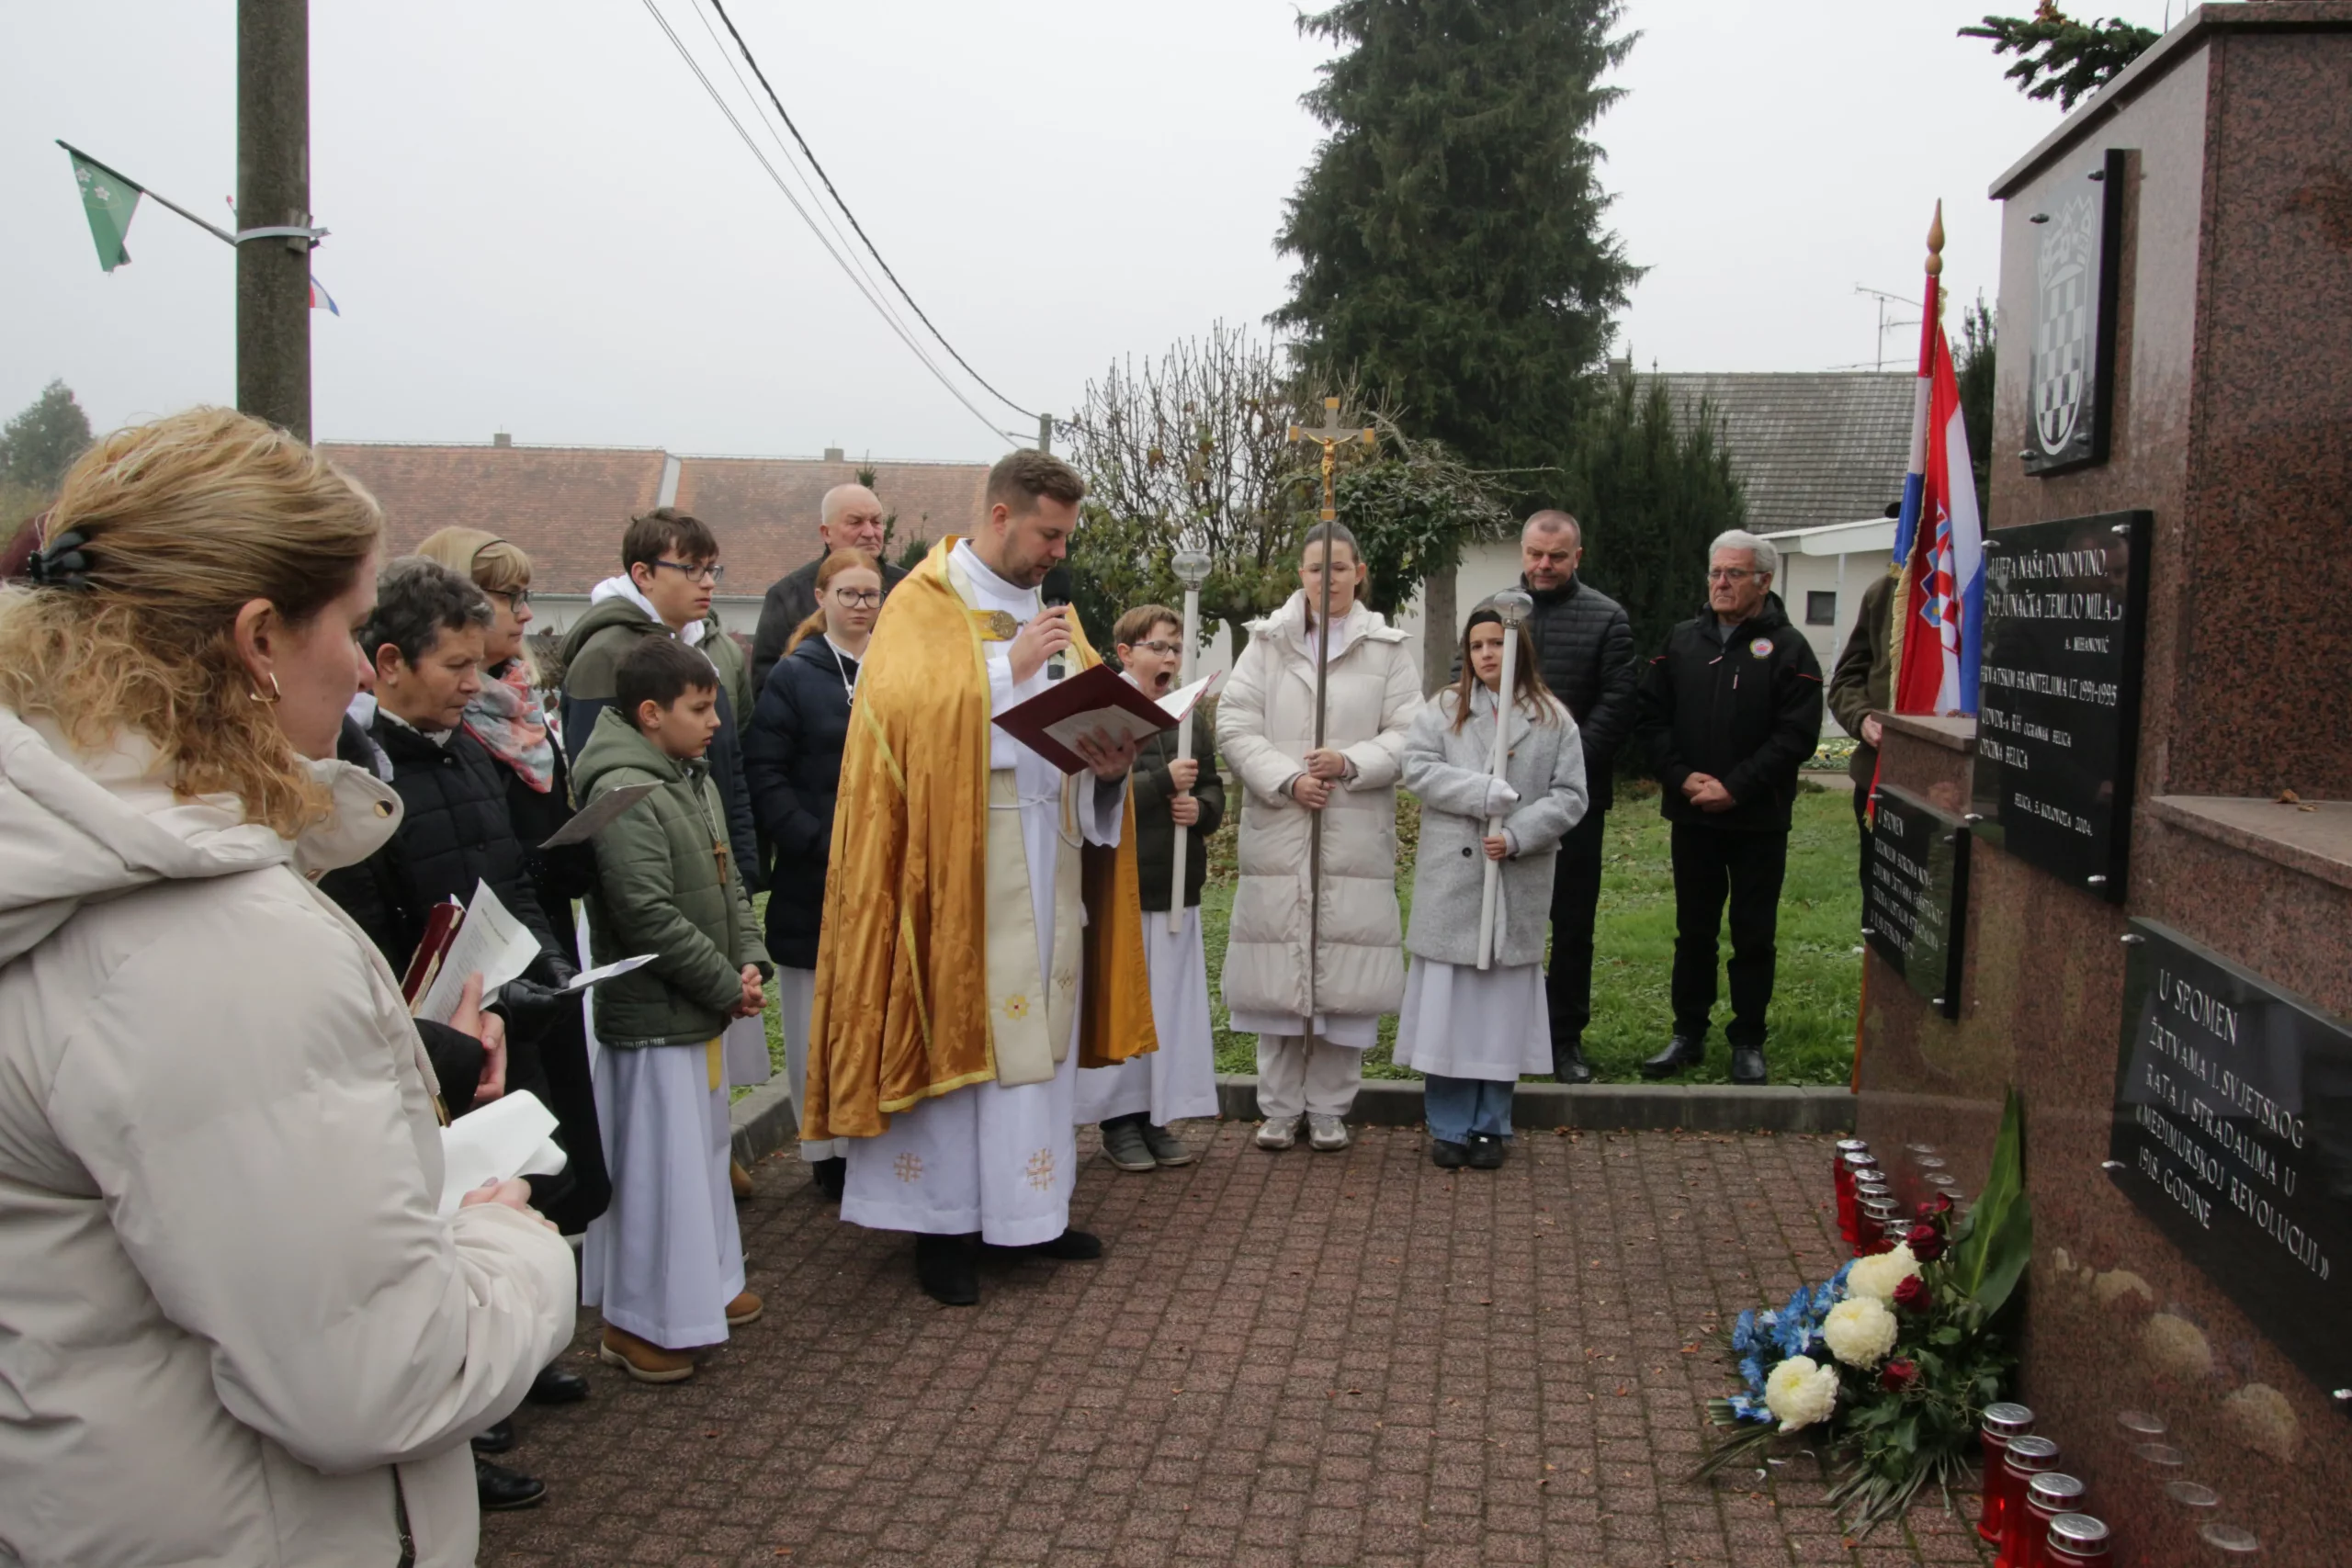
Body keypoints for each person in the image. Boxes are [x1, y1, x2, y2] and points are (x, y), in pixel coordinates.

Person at [0, 408, 573, 1566]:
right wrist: (508, 1246)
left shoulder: (63, 850)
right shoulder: (204, 941)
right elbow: (374, 1382)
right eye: (355, 628)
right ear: (259, 638)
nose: (365, 667)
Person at [803, 449, 1156, 1308]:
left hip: (1049, 853)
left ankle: (1029, 1211)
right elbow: (902, 722)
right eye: (1048, 533)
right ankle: (944, 1223)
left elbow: (1073, 728)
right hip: (955, 869)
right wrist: (1010, 672)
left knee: (1037, 1043)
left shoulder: (1049, 614)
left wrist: (1109, 768)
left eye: (1066, 537)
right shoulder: (924, 604)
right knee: (966, 1034)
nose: (1057, 553)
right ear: (1000, 515)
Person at [575, 636, 774, 1382]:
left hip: (697, 1003)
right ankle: (636, 1323)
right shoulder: (623, 790)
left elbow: (727, 889)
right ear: (651, 713)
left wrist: (746, 961)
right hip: (654, 1018)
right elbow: (644, 913)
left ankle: (704, 1289)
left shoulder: (688, 776)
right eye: (700, 707)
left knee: (700, 1160)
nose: (717, 719)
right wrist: (724, 980)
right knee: (660, 1174)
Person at [414, 525, 612, 1239]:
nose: (524, 614)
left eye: (526, 596)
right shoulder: (452, 727)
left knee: (563, 1147)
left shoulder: (521, 702)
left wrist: (572, 849)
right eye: (506, 595)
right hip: (477, 980)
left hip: (539, 937)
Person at [1216, 521, 1422, 1154]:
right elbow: (1235, 721)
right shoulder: (1267, 643)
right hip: (1282, 831)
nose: (1326, 578)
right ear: (1299, 575)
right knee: (1278, 971)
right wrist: (1285, 779)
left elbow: (1412, 732)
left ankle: (1331, 1106)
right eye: (1314, 568)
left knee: (1345, 972)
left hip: (1351, 830)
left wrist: (1350, 761)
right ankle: (1278, 1107)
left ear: (1358, 572)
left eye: (1338, 568)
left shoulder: (1387, 647)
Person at [1396, 606, 1588, 1168]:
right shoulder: (1445, 709)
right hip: (1454, 880)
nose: (1486, 655)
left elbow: (1571, 795)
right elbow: (1418, 768)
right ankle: (1449, 1122)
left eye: (1496, 644)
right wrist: (1480, 794)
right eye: (1476, 645)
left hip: (1515, 880)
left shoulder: (1552, 719)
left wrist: (1521, 833)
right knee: (1451, 1007)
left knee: (1499, 1009)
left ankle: (1491, 1123)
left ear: (1517, 648)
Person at [1634, 529, 1825, 1086]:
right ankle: (1686, 1034)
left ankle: (1748, 1039)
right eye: (1715, 572)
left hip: (1757, 819)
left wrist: (1736, 786)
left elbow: (1797, 737)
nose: (1721, 582)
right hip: (1693, 815)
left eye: (1734, 574)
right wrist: (1681, 777)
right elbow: (1650, 717)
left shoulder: (1789, 649)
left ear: (1763, 581)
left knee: (1752, 932)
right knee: (1693, 930)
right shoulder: (1682, 640)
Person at [741, 547, 881, 1201]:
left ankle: (872, 1134)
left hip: (881, 872)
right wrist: (819, 842)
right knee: (814, 1017)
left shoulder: (893, 665)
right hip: (816, 876)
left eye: (870, 593)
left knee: (871, 1013)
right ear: (822, 597)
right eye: (848, 593)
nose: (861, 605)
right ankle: (824, 1147)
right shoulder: (794, 676)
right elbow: (765, 775)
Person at [1074, 604, 1226, 1170]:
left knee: (1166, 1009)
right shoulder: (1102, 710)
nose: (1168, 657)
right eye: (1158, 646)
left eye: (1175, 648)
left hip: (1177, 885)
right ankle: (1119, 1121)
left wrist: (1202, 809)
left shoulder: (1188, 713)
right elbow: (1090, 794)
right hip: (1123, 884)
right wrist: (1162, 782)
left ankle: (1156, 1115)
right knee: (1126, 1003)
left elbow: (1210, 785)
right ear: (1126, 653)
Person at [558, 507, 759, 892]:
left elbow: (731, 760)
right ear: (643, 574)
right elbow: (599, 786)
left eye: (711, 569)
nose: (708, 583)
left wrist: (744, 862)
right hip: (653, 875)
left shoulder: (711, 649)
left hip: (718, 861)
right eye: (691, 569)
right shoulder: (605, 655)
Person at [1506, 510, 1636, 1083]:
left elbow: (1618, 705)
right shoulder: (1497, 612)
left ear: (1577, 557)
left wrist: (1563, 775)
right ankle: (1504, 1034)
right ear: (1523, 552)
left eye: (1557, 556)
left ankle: (1563, 1039)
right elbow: (1465, 688)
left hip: (1575, 803)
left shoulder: (1607, 619)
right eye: (1536, 554)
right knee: (1505, 919)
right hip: (1501, 796)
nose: (1544, 565)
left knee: (1572, 923)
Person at [751, 481, 908, 690]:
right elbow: (767, 685)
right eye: (855, 522)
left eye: (877, 522)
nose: (870, 532)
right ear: (826, 533)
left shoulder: (908, 588)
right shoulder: (788, 595)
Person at [1827, 568, 1896, 896]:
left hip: (1965, 787)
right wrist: (1862, 716)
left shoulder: (1981, 584)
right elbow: (1847, 679)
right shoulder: (1884, 592)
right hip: (1879, 776)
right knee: (1882, 899)